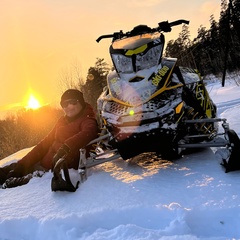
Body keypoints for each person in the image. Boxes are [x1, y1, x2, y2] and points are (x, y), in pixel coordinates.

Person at [0, 89, 99, 188]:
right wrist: (22, 164)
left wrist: (65, 148)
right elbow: (45, 143)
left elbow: (88, 133)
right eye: (64, 104)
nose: (68, 107)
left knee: (10, 181)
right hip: (43, 163)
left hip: (51, 170)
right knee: (12, 169)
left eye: (72, 102)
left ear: (80, 102)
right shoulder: (62, 121)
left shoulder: (88, 120)